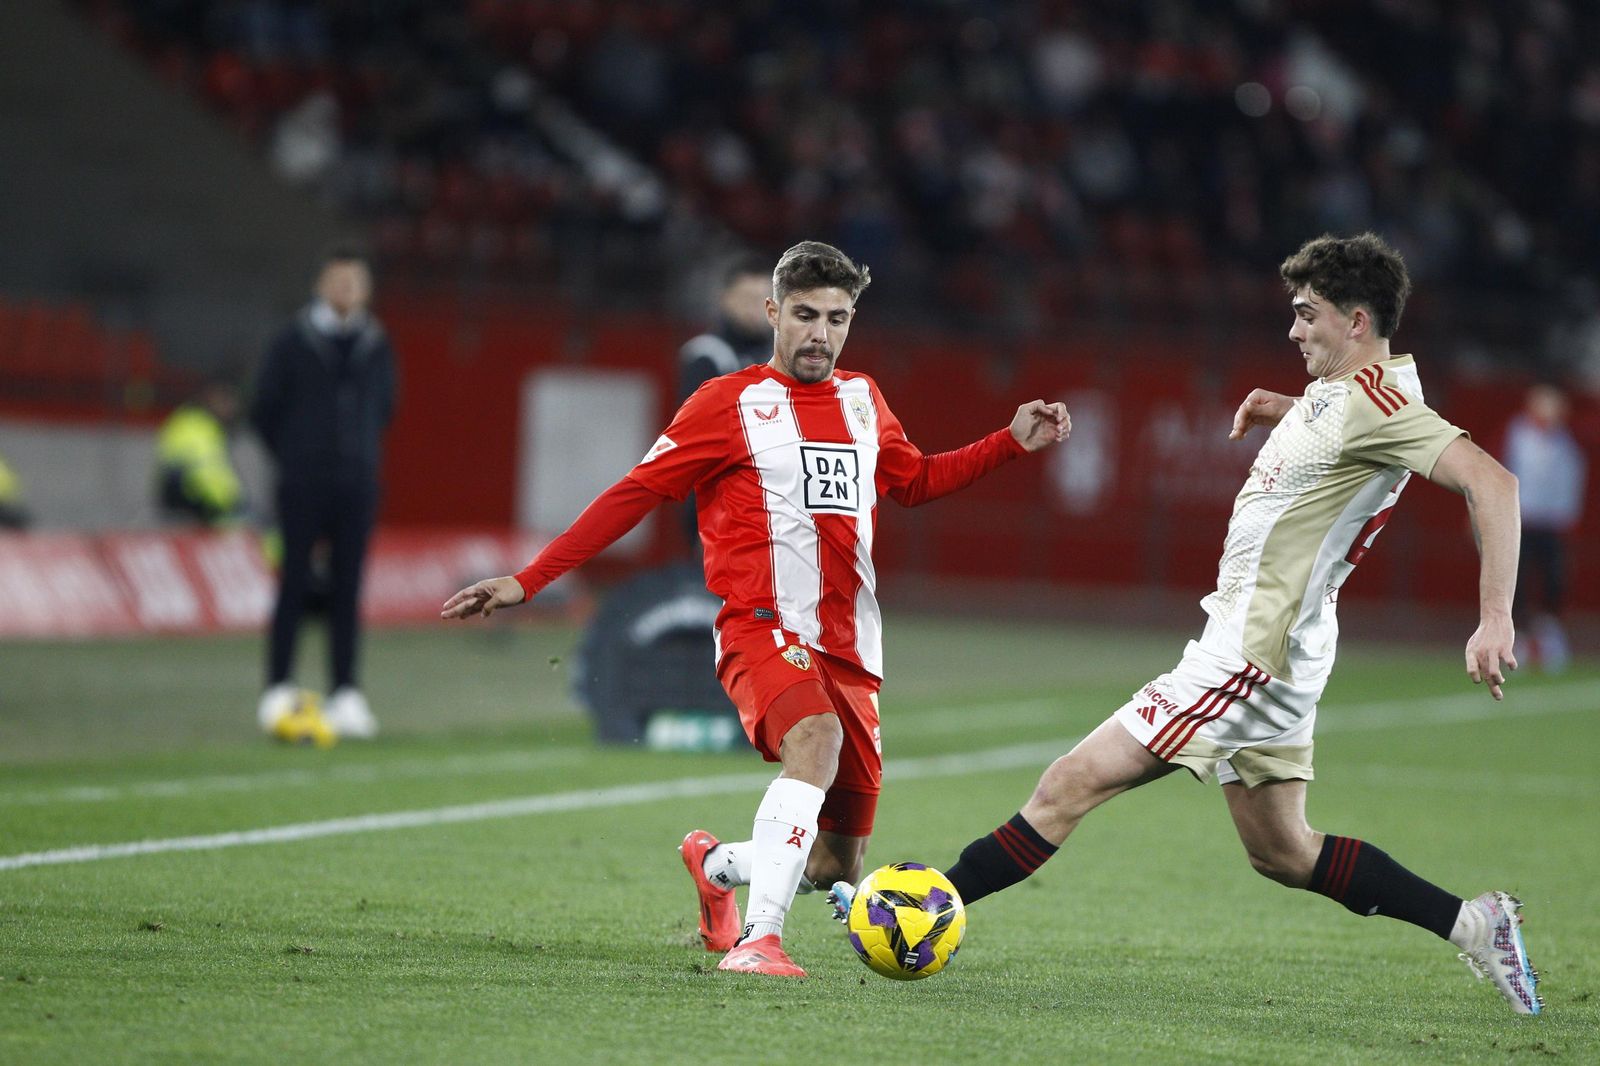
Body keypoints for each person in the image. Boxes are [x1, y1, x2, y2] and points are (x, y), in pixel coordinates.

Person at [841, 233, 1541, 1016]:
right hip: (1275, 648)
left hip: (1250, 654)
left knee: (1068, 784)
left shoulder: (1377, 403)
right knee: (1282, 851)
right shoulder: (1342, 394)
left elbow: (1495, 483)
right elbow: (1344, 429)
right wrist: (1288, 408)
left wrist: (1493, 618)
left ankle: (914, 909)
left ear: (1357, 320)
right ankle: (1478, 926)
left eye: (1307, 315)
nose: (1293, 330)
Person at [442, 241, 1069, 977]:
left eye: (837, 318)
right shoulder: (727, 403)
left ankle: (716, 868)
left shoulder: (864, 399)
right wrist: (530, 580)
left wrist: (1009, 443)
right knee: (815, 738)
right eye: (804, 315)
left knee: (833, 863)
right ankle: (759, 942)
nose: (820, 334)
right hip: (761, 627)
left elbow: (916, 481)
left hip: (855, 649)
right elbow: (635, 493)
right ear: (773, 313)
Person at [250, 248, 397, 740]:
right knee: (292, 583)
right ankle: (278, 687)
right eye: (338, 281)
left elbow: (386, 407)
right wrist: (298, 455)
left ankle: (346, 692)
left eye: (356, 282)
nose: (346, 291)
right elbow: (263, 409)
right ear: (320, 285)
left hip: (356, 483)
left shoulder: (375, 343)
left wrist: (358, 455)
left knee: (348, 588)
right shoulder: (292, 341)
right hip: (303, 483)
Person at [675, 253, 776, 551]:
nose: (755, 309)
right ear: (725, 299)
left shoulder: (781, 357)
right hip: (718, 504)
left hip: (772, 503)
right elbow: (701, 434)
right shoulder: (707, 355)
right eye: (746, 298)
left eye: (764, 299)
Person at [1503, 384, 1586, 674]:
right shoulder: (1517, 434)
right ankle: (1519, 641)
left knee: (1554, 583)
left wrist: (1568, 521)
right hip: (1521, 520)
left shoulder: (1566, 443)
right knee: (1518, 584)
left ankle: (1550, 639)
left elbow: (1572, 484)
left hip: (1552, 525)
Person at [155, 379, 246, 526]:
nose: (232, 409)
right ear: (213, 398)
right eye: (227, 402)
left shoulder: (188, 420)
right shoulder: (201, 427)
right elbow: (209, 473)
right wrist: (234, 503)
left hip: (181, 501)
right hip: (193, 504)